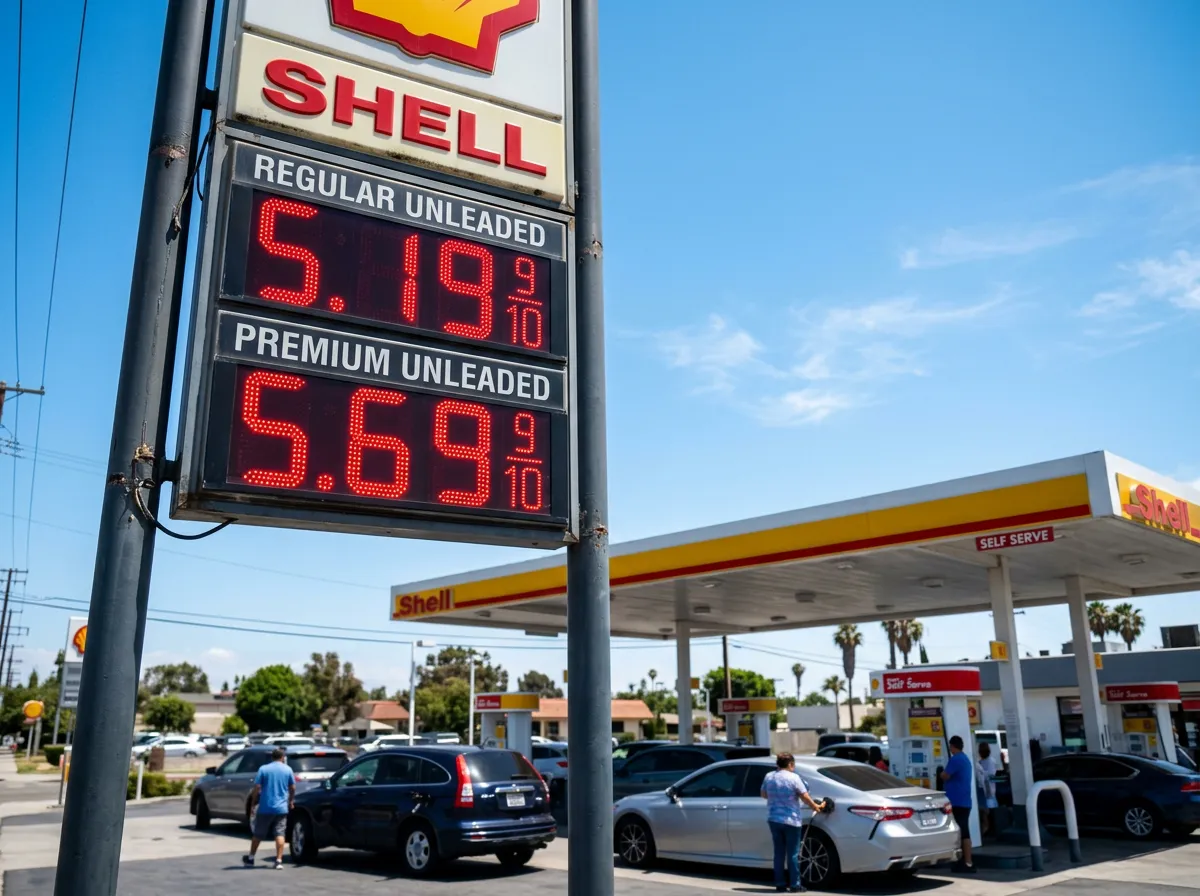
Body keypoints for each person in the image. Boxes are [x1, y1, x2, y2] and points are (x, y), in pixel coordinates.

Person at [761, 752, 827, 893]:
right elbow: (804, 796)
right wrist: (816, 807)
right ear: (790, 764)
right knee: (793, 854)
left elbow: (764, 794)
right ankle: (795, 885)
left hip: (773, 819)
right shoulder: (794, 778)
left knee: (779, 853)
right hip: (791, 820)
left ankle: (780, 884)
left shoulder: (769, 776)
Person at [243, 748, 295, 870]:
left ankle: (251, 858)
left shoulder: (264, 769)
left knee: (258, 834)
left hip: (266, 807)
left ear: (272, 757)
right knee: (280, 833)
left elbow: (257, 787)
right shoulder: (288, 769)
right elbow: (292, 787)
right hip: (281, 808)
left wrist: (253, 803)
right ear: (282, 758)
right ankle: (278, 860)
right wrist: (291, 801)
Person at [939, 735, 976, 873]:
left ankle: (967, 862)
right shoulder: (965, 759)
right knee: (962, 831)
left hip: (957, 801)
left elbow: (945, 775)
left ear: (952, 746)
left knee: (962, 832)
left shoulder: (956, 759)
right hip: (964, 800)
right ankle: (965, 861)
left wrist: (939, 772)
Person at [976, 742, 998, 835]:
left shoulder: (990, 761)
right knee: (985, 809)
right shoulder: (981, 762)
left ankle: (988, 828)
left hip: (988, 789)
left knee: (987, 810)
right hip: (985, 788)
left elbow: (990, 775)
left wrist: (982, 773)